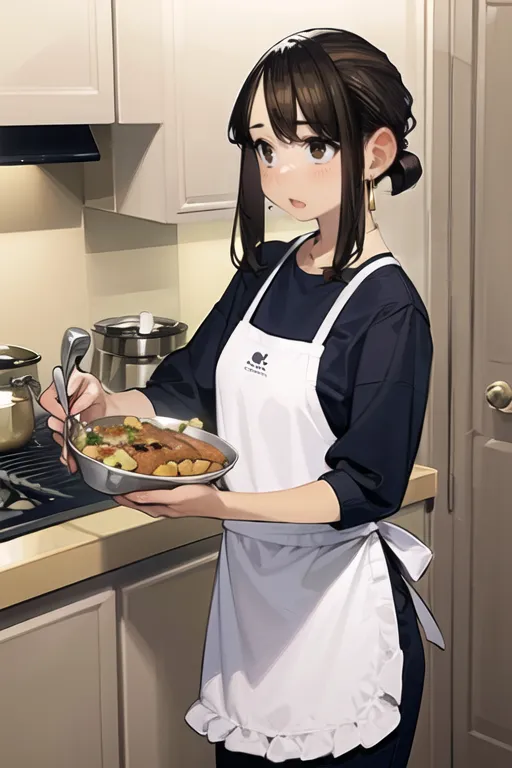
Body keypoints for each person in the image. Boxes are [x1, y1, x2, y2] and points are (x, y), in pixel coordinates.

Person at [41, 28, 444, 767]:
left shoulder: (389, 311)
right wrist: (105, 408)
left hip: (339, 619)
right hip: (251, 605)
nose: (280, 169)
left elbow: (365, 487)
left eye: (310, 145)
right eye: (264, 147)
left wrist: (218, 505)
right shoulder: (264, 267)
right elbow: (185, 389)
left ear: (376, 154)